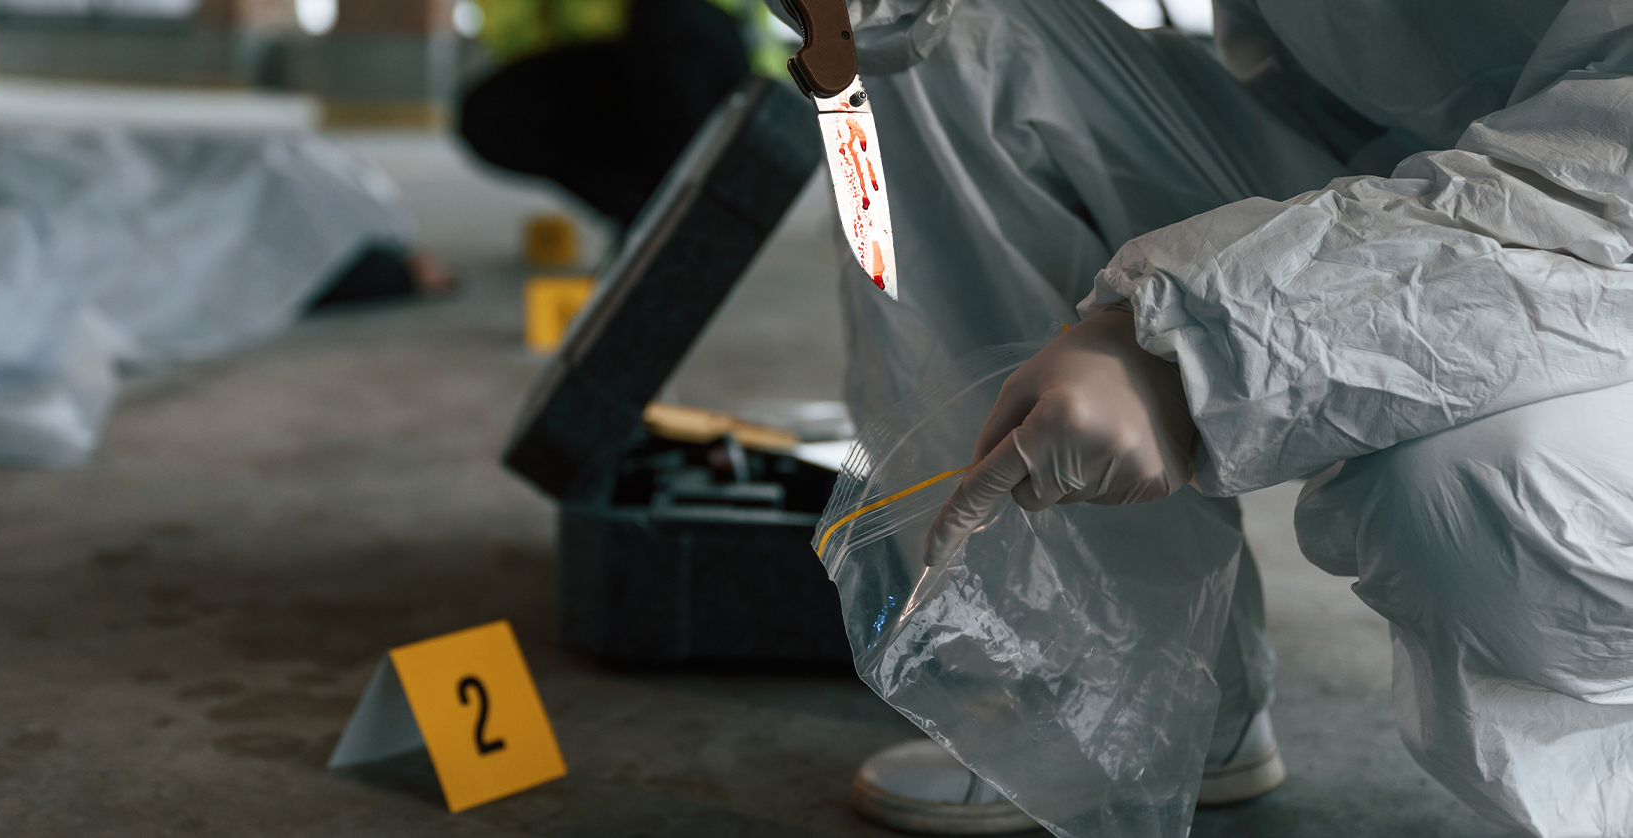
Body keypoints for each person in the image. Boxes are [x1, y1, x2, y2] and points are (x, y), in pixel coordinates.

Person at [806, 0, 1633, 835]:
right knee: (939, 43)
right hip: (1401, 165)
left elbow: (1604, 179)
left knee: (1475, 488)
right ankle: (1106, 702)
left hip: (1599, 238)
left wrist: (1194, 342)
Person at [456, 0, 754, 227]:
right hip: (605, 62)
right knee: (490, 114)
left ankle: (690, 196)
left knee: (660, 18)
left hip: (698, 53)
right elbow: (516, 39)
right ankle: (641, 209)